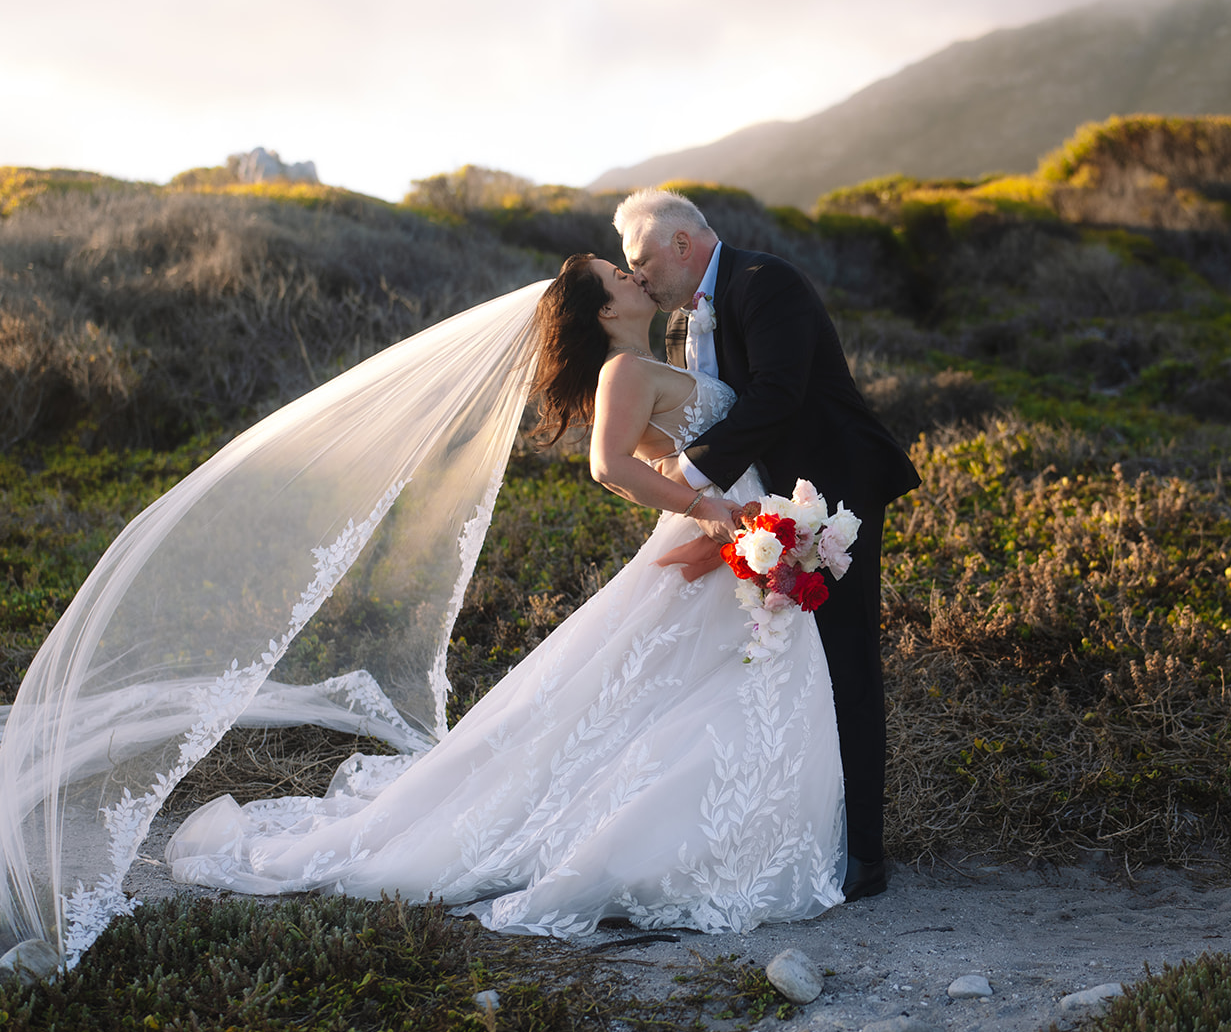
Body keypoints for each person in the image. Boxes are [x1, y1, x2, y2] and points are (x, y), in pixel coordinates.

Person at [160, 254, 847, 935]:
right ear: (607, 311)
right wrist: (703, 511)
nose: (634, 276)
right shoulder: (623, 370)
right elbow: (608, 465)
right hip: (720, 533)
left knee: (688, 693)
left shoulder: (661, 360)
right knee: (686, 691)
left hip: (739, 535)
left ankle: (722, 832)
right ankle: (680, 842)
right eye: (617, 276)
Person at [614, 189, 921, 901]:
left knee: (846, 663)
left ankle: (865, 856)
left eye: (642, 260)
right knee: (773, 671)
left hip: (830, 495)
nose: (638, 277)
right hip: (753, 510)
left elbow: (779, 394)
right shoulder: (680, 325)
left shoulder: (764, 282)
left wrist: (693, 484)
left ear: (682, 246)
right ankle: (787, 830)